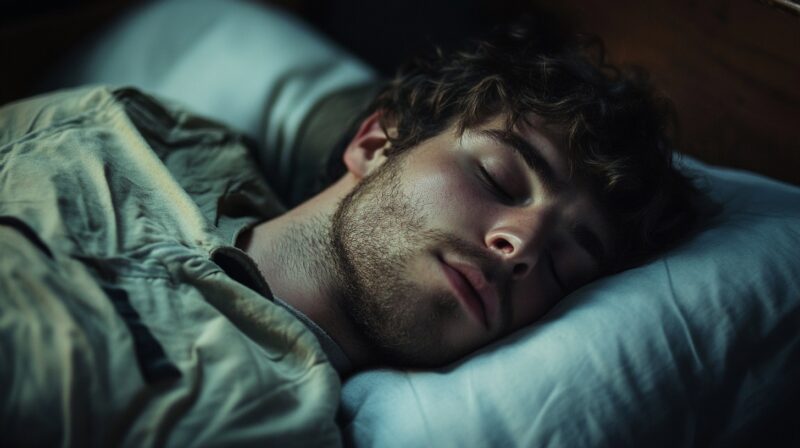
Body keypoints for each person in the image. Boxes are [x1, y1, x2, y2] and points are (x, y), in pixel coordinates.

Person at [0, 20, 698, 446]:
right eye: (499, 179)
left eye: (565, 268)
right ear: (377, 140)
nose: (520, 247)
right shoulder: (138, 129)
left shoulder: (263, 422)